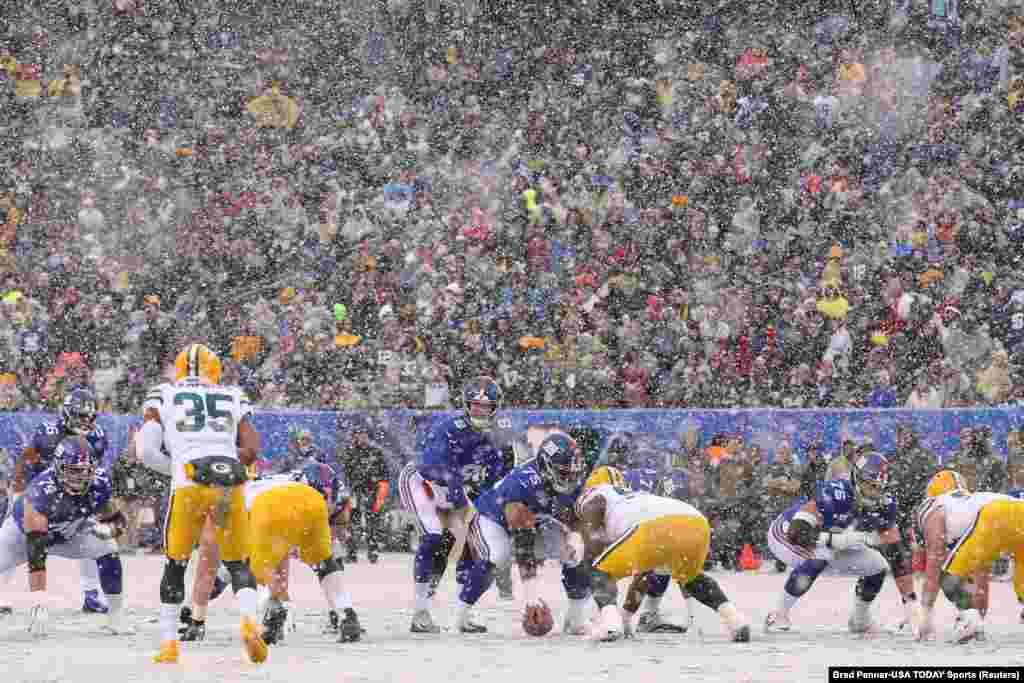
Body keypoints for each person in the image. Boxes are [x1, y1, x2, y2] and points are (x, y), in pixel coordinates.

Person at [135, 343, 267, 665]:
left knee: (176, 563)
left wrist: (180, 466)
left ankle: (169, 644)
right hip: (226, 484)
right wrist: (225, 467)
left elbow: (146, 450)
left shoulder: (163, 393)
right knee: (238, 563)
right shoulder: (232, 394)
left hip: (189, 484)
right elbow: (251, 448)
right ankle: (249, 620)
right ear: (215, 370)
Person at [575, 465, 751, 643]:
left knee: (598, 569)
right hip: (695, 521)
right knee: (691, 577)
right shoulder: (635, 497)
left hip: (652, 527)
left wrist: (591, 553)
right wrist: (626, 617)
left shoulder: (596, 494)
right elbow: (644, 575)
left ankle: (610, 624)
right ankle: (735, 620)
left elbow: (594, 516)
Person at [397, 375, 512, 633]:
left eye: (486, 406)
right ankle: (420, 611)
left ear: (496, 407)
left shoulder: (498, 435)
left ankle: (464, 611)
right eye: (476, 405)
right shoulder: (449, 428)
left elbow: (496, 479)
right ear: (466, 405)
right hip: (424, 483)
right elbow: (439, 469)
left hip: (456, 489)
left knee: (474, 545)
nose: (481, 410)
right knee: (433, 538)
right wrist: (462, 502)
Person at [764, 452, 920, 635]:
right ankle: (778, 614)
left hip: (834, 542)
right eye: (870, 485)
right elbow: (796, 534)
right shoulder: (836, 493)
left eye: (879, 487)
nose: (874, 492)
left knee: (878, 566)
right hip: (785, 534)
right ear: (856, 478)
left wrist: (911, 606)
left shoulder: (886, 504)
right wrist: (832, 540)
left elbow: (897, 558)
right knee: (822, 554)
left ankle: (860, 619)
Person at [459, 432, 589, 634]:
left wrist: (573, 538)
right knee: (498, 556)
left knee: (575, 554)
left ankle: (576, 618)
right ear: (545, 466)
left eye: (574, 472)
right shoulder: (523, 484)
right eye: (564, 473)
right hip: (493, 518)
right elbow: (523, 544)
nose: (571, 478)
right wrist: (531, 598)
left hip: (539, 520)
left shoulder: (576, 478)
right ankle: (463, 613)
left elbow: (575, 518)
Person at [0, 436, 132, 636]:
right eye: (74, 470)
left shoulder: (99, 481)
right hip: (21, 537)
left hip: (70, 532)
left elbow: (117, 519)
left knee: (108, 547)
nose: (81, 477)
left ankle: (116, 615)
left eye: (86, 471)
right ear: (59, 467)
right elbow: (37, 554)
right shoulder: (41, 491)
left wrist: (110, 530)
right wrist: (39, 603)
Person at [11, 388, 111, 613]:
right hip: (40, 496)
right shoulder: (48, 432)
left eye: (90, 417)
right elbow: (27, 457)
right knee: (15, 540)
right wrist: (18, 490)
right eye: (80, 416)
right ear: (66, 413)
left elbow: (95, 471)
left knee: (92, 535)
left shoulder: (98, 436)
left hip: (76, 496)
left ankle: (92, 594)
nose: (85, 422)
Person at [247, 461, 362, 645]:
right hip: (312, 500)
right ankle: (347, 614)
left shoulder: (245, 494)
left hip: (270, 505)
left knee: (259, 567)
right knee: (324, 562)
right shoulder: (295, 476)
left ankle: (276, 609)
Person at [915, 471, 1024, 643]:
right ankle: (973, 621)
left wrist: (925, 615)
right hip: (1018, 509)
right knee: (1022, 585)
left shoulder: (936, 505)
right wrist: (979, 616)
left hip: (996, 514)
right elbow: (981, 581)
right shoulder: (973, 502)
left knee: (948, 577)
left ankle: (970, 622)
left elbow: (935, 559)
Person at [339, 423, 390, 563]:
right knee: (353, 522)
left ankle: (373, 552)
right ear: (355, 436)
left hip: (372, 490)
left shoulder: (376, 452)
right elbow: (346, 471)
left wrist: (379, 489)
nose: (362, 437)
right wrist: (353, 484)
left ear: (368, 436)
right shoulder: (350, 452)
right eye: (359, 434)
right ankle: (351, 552)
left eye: (364, 435)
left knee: (372, 522)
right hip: (355, 491)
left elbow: (384, 473)